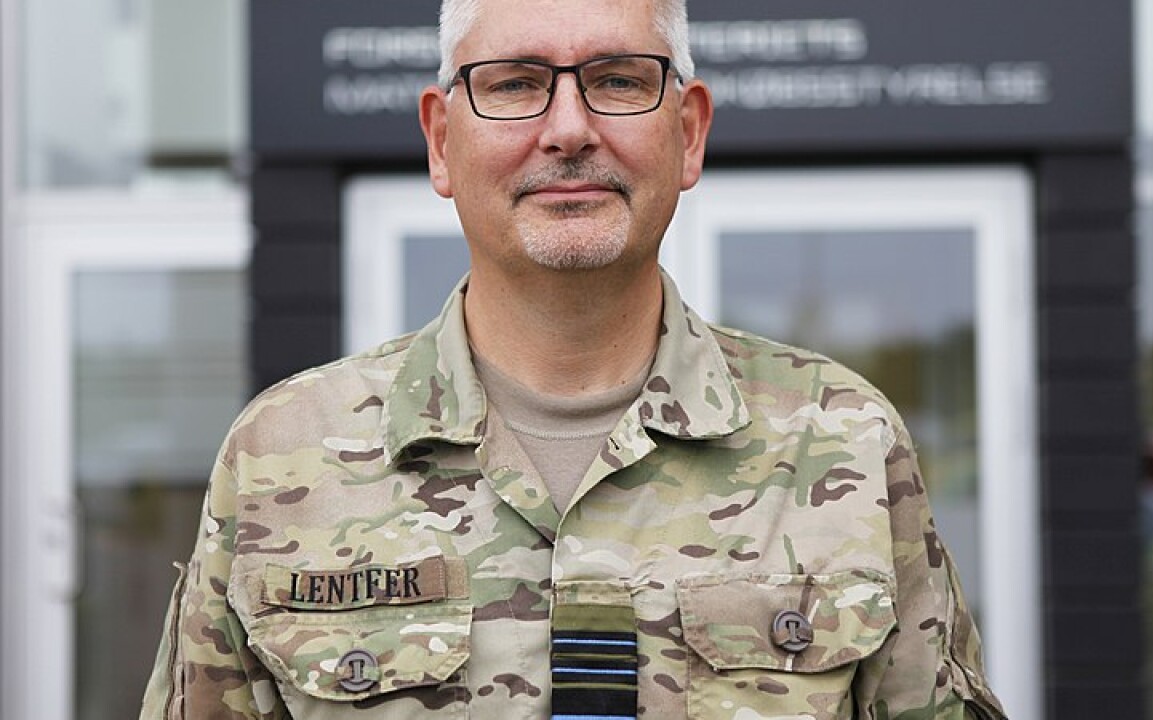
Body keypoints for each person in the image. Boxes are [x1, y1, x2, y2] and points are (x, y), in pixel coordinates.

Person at [140, 0, 1006, 717]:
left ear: (689, 132)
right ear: (441, 140)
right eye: (514, 84)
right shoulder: (281, 452)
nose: (568, 129)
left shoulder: (843, 438)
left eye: (618, 80)